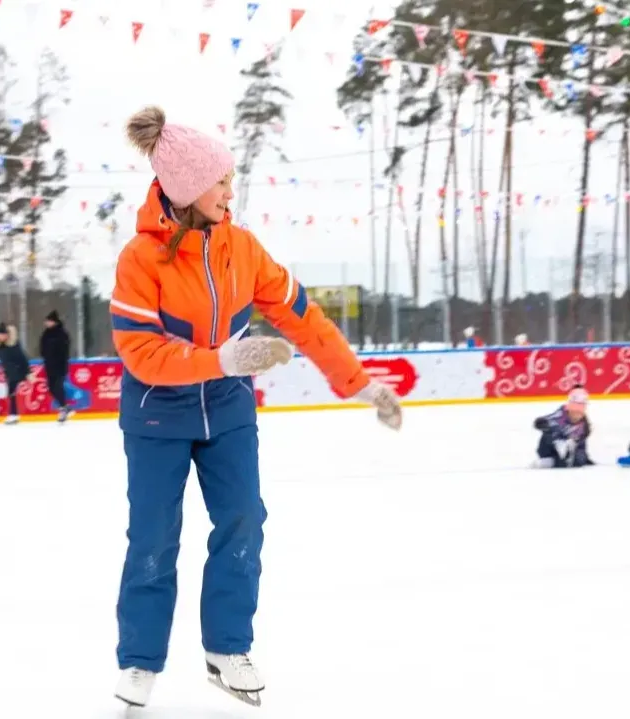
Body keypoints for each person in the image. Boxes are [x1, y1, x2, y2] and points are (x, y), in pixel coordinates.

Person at [109, 106, 403, 708]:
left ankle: (227, 648)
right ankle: (140, 660)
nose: (230, 190)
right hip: (157, 414)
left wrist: (360, 383)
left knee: (244, 518)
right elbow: (141, 354)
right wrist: (223, 359)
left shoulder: (242, 249)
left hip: (228, 411)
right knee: (154, 537)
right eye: (221, 180)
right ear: (189, 187)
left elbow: (305, 319)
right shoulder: (140, 259)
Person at [532, 385, 594, 468]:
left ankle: (563, 457)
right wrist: (541, 423)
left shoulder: (584, 425)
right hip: (550, 450)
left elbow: (581, 444)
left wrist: (584, 458)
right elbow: (544, 421)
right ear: (569, 409)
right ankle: (554, 459)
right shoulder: (559, 418)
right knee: (549, 431)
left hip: (570, 452)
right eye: (574, 411)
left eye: (580, 412)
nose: (577, 415)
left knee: (578, 460)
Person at [0, 323, 32, 425]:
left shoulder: (13, 345)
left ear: (6, 335)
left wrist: (28, 372)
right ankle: (13, 414)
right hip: (9, 372)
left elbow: (23, 358)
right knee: (11, 393)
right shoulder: (0, 345)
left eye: (1, 335)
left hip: (17, 371)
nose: (0, 337)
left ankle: (13, 414)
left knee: (11, 393)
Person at [39, 310, 73, 422]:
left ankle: (63, 408)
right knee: (51, 388)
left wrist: (62, 362)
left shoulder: (62, 334)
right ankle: (65, 407)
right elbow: (42, 347)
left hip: (60, 365)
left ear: (54, 322)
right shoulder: (46, 333)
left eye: (49, 321)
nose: (46, 323)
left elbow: (65, 350)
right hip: (49, 365)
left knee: (58, 386)